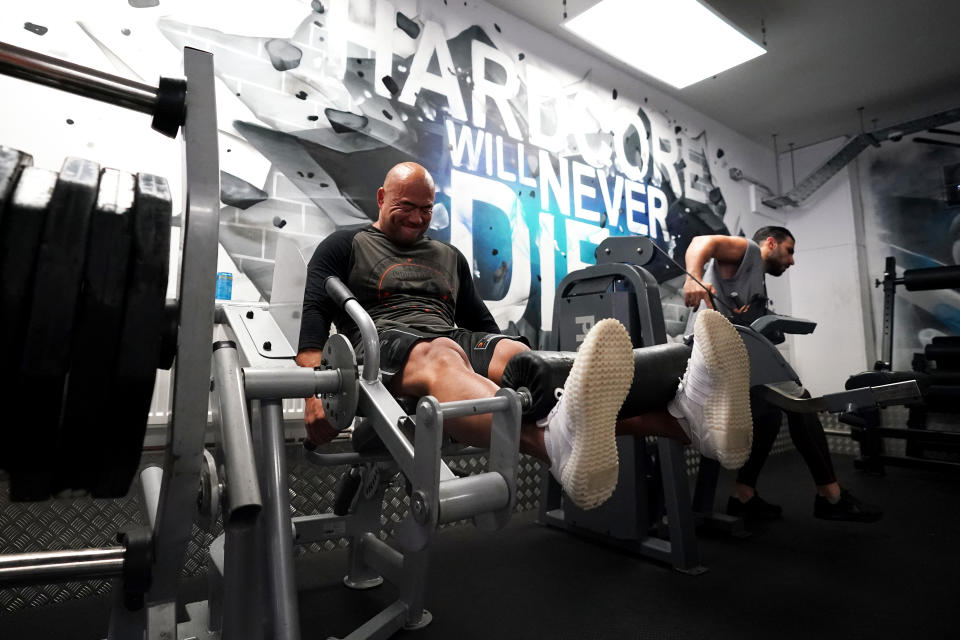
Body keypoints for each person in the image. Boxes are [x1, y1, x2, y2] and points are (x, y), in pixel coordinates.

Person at [296, 161, 754, 510]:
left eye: (426, 209)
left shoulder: (447, 254)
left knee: (521, 358)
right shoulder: (345, 244)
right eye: (406, 207)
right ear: (380, 197)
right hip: (382, 346)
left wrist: (510, 367)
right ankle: (548, 442)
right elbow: (314, 320)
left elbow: (481, 324)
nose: (417, 218)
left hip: (451, 338)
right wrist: (316, 394)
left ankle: (688, 420)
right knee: (442, 355)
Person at [682, 226, 882, 522]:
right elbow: (701, 240)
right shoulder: (748, 249)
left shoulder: (751, 275)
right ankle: (831, 495)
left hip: (731, 353)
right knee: (801, 403)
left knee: (770, 415)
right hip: (715, 352)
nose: (792, 261)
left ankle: (743, 495)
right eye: (789, 251)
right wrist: (691, 279)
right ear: (771, 243)